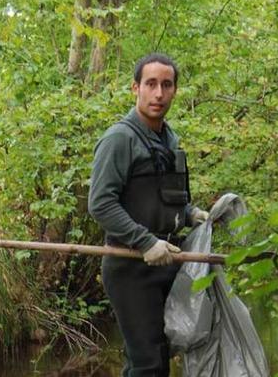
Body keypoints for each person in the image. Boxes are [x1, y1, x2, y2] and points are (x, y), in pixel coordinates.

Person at [88, 53, 208, 376]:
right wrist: (145, 242)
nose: (158, 93)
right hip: (130, 266)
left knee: (162, 356)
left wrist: (189, 213)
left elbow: (163, 200)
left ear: (175, 91)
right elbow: (100, 203)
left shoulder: (169, 139)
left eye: (166, 85)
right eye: (151, 84)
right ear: (135, 88)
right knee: (147, 364)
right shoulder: (119, 139)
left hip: (168, 261)